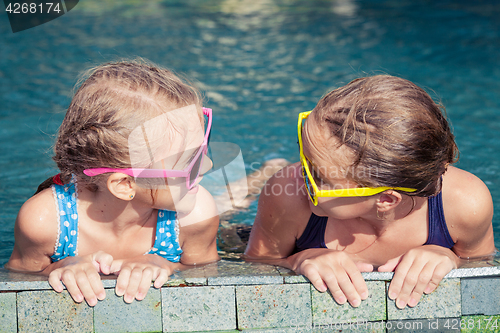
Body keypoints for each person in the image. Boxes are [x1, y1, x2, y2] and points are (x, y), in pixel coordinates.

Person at [245, 75, 497, 309]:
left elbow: (486, 272)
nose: (300, 173)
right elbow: (251, 270)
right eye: (303, 150)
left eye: (318, 176)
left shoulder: (466, 203)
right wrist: (295, 261)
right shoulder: (287, 192)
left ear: (386, 200)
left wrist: (451, 259)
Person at [5, 60, 221, 306]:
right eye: (188, 163)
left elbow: (211, 275)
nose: (209, 165)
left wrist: (168, 265)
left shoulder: (195, 215)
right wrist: (60, 267)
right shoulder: (44, 222)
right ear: (125, 184)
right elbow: (17, 277)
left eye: (202, 149)